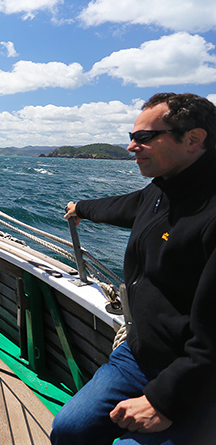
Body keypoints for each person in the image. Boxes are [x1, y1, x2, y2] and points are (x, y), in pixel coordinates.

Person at [51, 93, 216, 445]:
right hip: (140, 355)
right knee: (68, 430)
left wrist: (165, 399)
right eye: (132, 136)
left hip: (199, 374)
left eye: (144, 138)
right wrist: (80, 207)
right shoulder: (162, 190)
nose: (131, 147)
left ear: (193, 139)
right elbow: (127, 206)